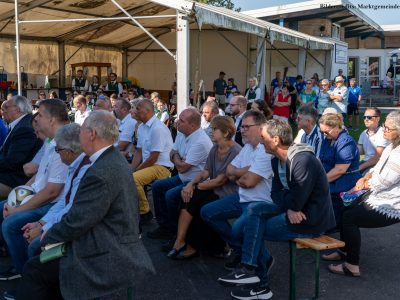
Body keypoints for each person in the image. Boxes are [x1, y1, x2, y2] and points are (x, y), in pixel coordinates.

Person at [16, 110, 153, 300]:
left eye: (81, 130)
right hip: (110, 241)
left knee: (34, 269)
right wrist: (43, 226)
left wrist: (47, 234)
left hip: (106, 251)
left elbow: (77, 221)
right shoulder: (110, 159)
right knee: (41, 267)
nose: (78, 134)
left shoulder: (101, 170)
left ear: (92, 134)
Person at [217, 120, 335, 300]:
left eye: (264, 137)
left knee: (253, 228)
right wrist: (291, 206)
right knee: (254, 212)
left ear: (276, 140)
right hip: (294, 211)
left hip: (310, 219)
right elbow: (276, 193)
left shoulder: (303, 160)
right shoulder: (276, 160)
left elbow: (297, 199)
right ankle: (249, 269)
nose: (261, 141)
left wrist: (292, 204)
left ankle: (260, 284)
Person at [0, 99, 69, 280]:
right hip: (41, 196)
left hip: (52, 203)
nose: (36, 119)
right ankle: (17, 259)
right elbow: (38, 177)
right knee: (3, 207)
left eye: (40, 115)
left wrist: (18, 208)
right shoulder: (50, 141)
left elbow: (53, 192)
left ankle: (26, 274)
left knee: (10, 223)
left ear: (52, 119)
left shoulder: (63, 144)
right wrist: (18, 195)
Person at [327, 111, 400, 278]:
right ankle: (344, 251)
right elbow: (376, 168)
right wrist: (366, 176)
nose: (384, 130)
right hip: (379, 194)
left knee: (350, 217)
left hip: (393, 205)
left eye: (388, 128)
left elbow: (384, 182)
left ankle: (352, 265)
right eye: (384, 126)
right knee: (347, 209)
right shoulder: (392, 145)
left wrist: (364, 183)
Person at [201, 111, 272, 271]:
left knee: (240, 227)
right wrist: (245, 172)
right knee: (207, 212)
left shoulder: (265, 149)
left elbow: (249, 181)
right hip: (241, 196)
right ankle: (240, 250)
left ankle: (258, 262)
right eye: (242, 126)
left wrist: (238, 174)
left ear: (261, 128)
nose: (242, 130)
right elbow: (229, 171)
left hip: (259, 201)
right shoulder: (247, 147)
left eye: (247, 127)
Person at [167, 116, 241, 259]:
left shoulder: (235, 151)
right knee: (187, 198)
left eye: (214, 129)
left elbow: (220, 181)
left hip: (228, 193)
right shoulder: (215, 148)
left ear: (225, 133)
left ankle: (199, 246)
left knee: (198, 203)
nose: (211, 132)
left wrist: (194, 186)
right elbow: (205, 172)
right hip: (213, 188)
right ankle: (180, 241)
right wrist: (190, 184)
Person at [148, 108, 213, 240]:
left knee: (170, 195)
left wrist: (177, 158)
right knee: (157, 187)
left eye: (181, 120)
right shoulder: (182, 133)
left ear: (193, 125)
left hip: (196, 182)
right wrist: (179, 159)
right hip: (183, 177)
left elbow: (182, 167)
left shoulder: (201, 141)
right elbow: (171, 153)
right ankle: (165, 226)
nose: (177, 122)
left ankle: (175, 232)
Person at [131, 99, 173, 224]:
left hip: (162, 167)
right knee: (130, 175)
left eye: (138, 108)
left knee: (134, 178)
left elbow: (154, 157)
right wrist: (132, 168)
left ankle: (145, 212)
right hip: (150, 166)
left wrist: (137, 170)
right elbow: (139, 151)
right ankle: (138, 210)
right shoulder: (142, 127)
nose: (135, 111)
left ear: (147, 111)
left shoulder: (157, 128)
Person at [319, 113, 361, 227]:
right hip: (330, 180)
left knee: (318, 197)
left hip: (343, 183)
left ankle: (326, 227)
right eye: (322, 132)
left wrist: (319, 181)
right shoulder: (328, 139)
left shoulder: (346, 142)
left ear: (337, 127)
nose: (324, 134)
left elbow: (340, 169)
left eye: (326, 131)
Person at [0, 96, 42, 198]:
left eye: (6, 108)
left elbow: (13, 162)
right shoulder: (20, 124)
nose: (2, 111)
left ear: (17, 109)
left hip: (17, 180)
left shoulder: (24, 127)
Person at [358, 107, 389, 175]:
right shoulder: (363, 133)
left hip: (378, 165)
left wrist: (359, 167)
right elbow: (358, 152)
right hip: (365, 162)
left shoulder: (383, 134)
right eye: (364, 117)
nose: (366, 119)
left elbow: (377, 158)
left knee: (360, 179)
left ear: (377, 119)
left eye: (369, 117)